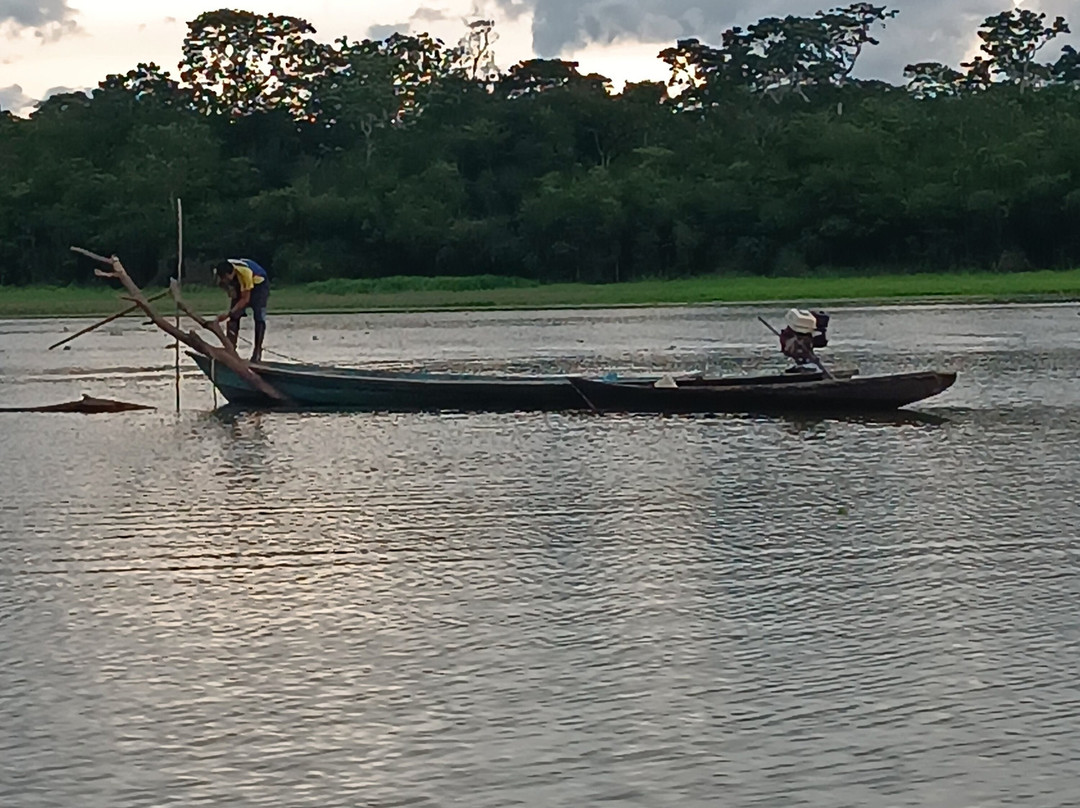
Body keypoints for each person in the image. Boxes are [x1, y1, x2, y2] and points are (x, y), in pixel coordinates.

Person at [214, 258, 270, 362]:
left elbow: (245, 299)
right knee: (234, 318)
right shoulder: (225, 268)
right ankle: (230, 349)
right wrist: (230, 290)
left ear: (229, 274)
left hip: (259, 284)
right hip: (240, 283)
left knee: (259, 317)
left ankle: (257, 352)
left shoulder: (245, 273)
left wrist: (227, 313)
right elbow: (225, 285)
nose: (223, 280)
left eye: (225, 278)